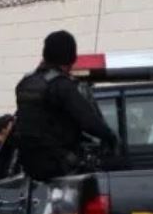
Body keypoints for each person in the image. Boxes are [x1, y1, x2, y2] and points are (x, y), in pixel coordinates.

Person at [14, 31, 118, 180]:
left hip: (29, 165)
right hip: (58, 164)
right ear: (71, 58)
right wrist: (110, 137)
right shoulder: (61, 86)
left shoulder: (25, 83)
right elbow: (88, 121)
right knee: (118, 166)